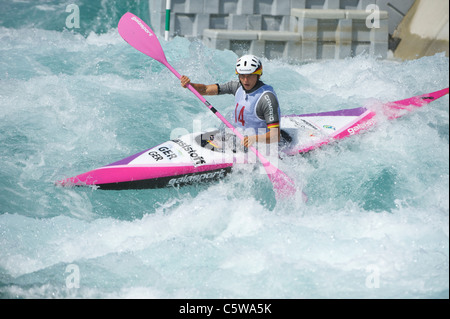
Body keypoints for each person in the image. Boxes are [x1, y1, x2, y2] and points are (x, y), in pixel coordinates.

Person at [180, 55, 281, 149]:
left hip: (260, 144)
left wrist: (255, 139)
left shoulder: (266, 98)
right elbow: (205, 89)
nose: (245, 80)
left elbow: (275, 136)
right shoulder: (237, 86)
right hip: (239, 137)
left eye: (250, 76)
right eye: (242, 75)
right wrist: (190, 85)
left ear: (258, 75)